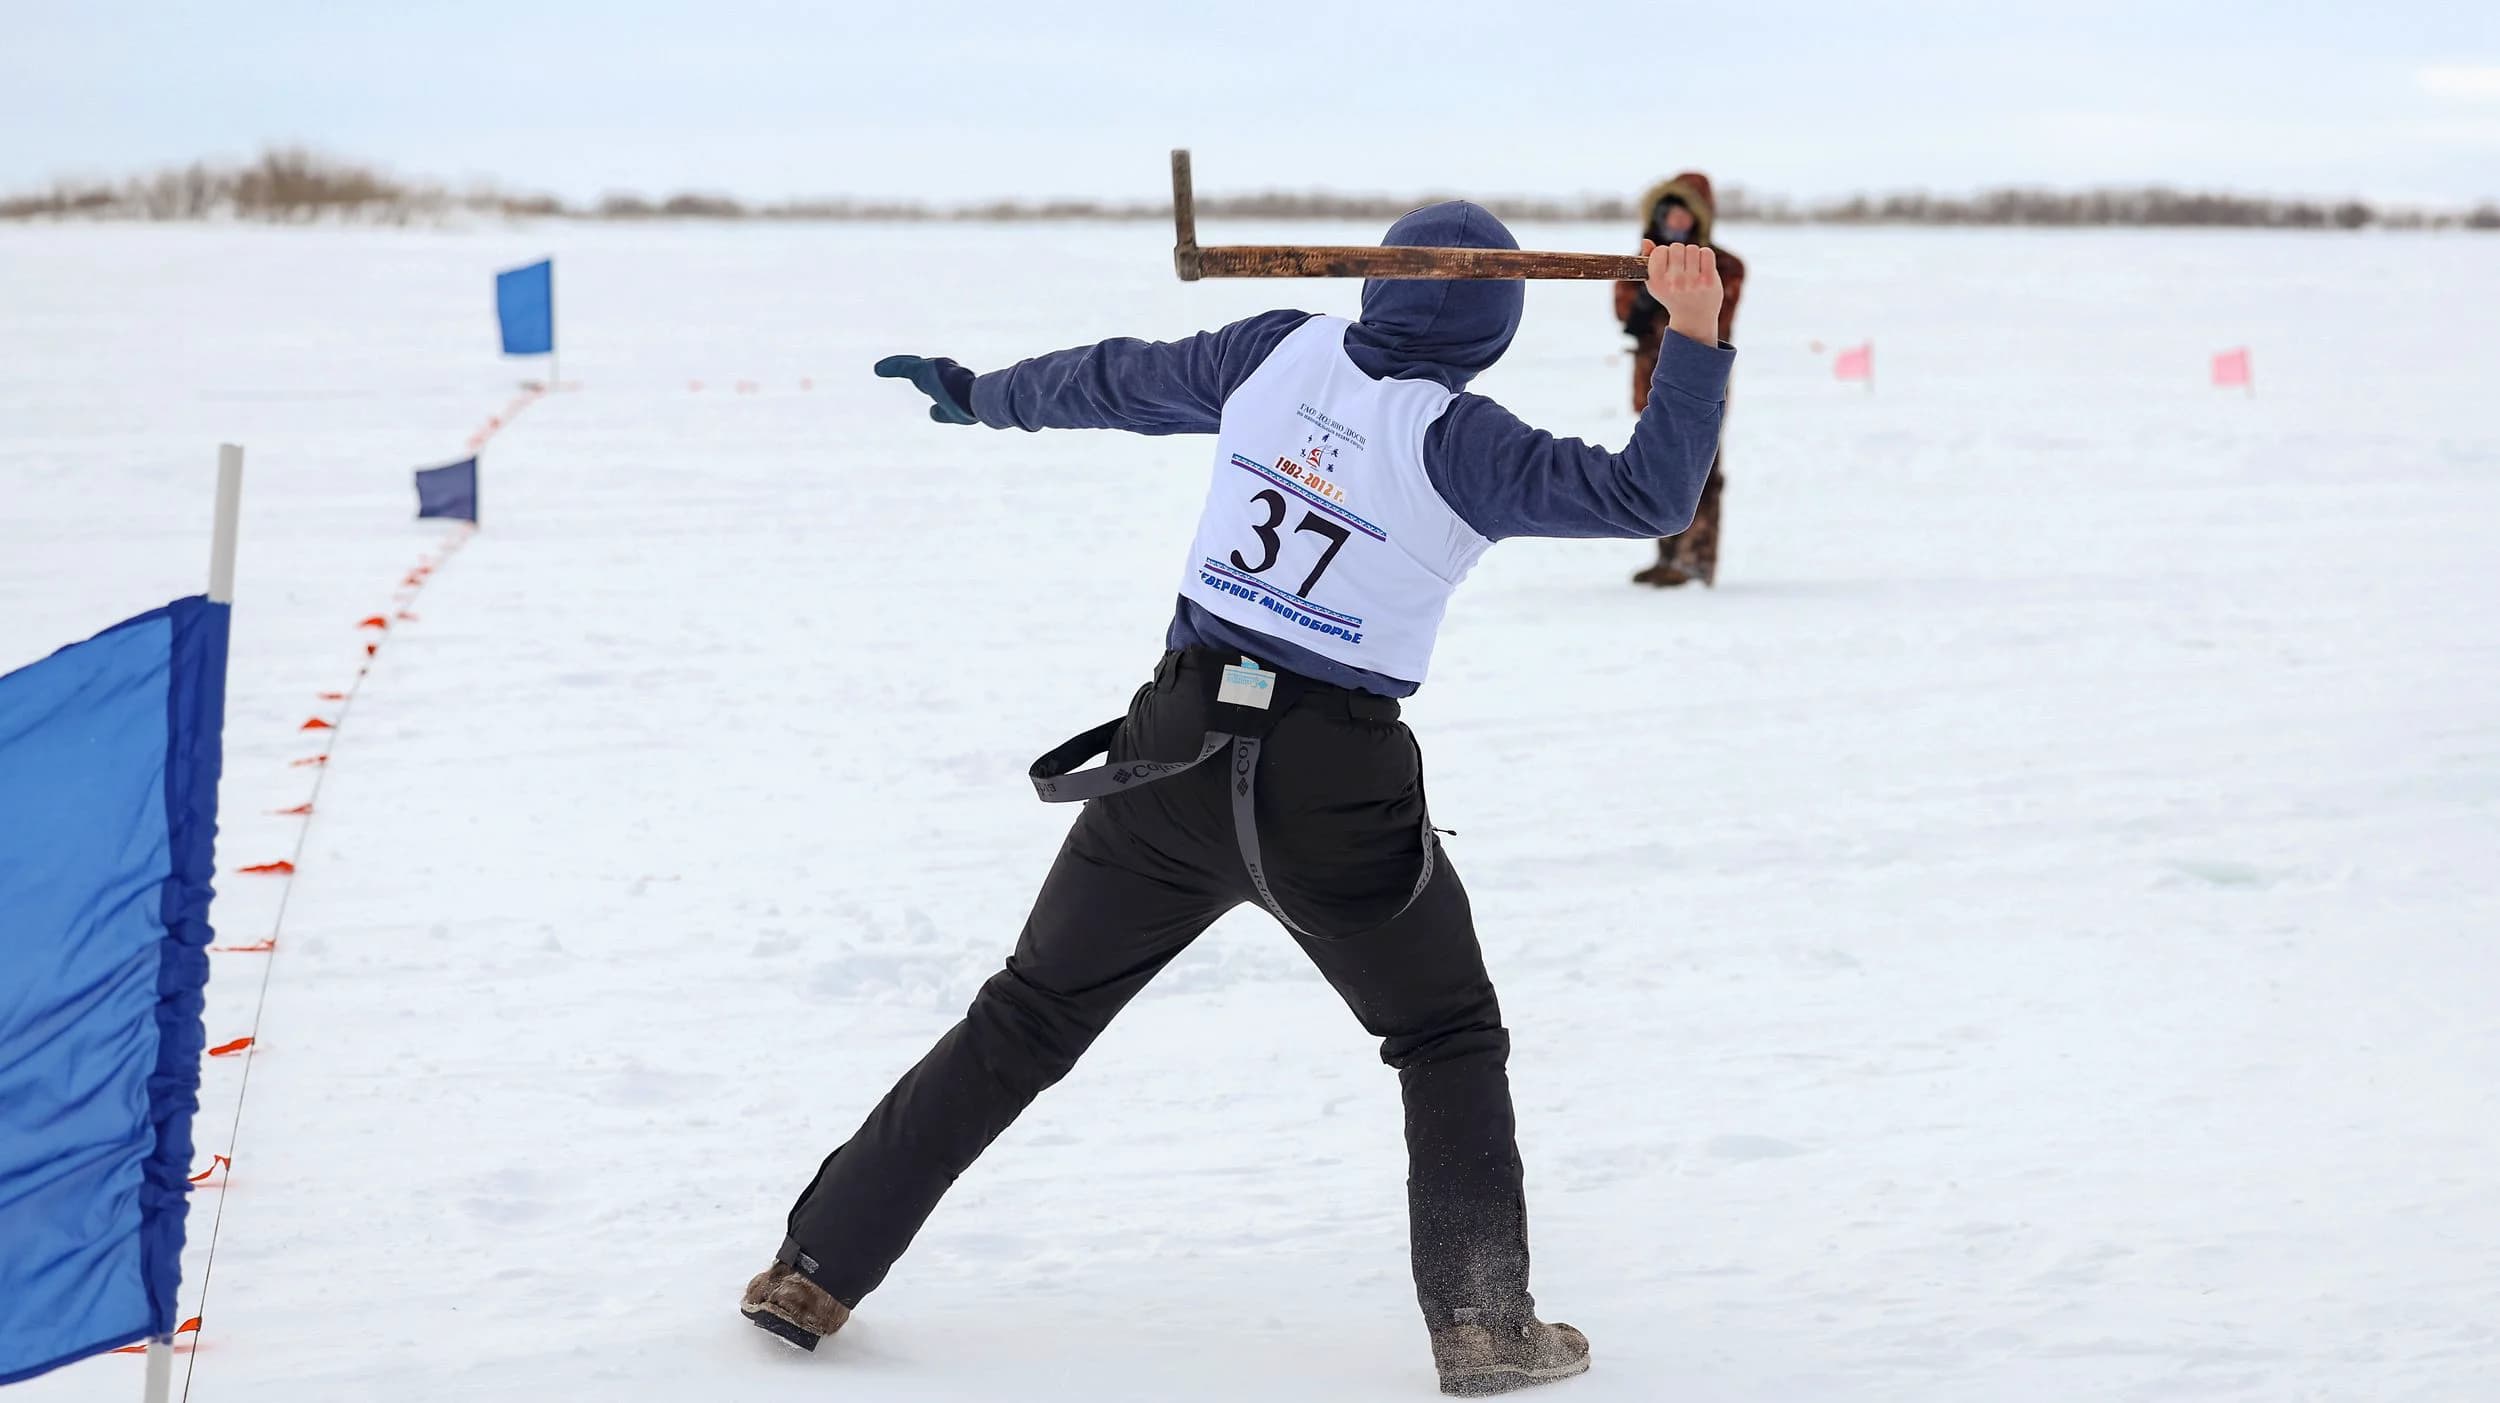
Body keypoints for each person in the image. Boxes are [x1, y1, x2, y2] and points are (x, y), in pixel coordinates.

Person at [742, 203, 1731, 1397]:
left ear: (1374, 283)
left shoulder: (1277, 349)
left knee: (1028, 1013)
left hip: (1172, 752)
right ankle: (1481, 1323)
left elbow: (1112, 379)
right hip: (1333, 786)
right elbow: (1648, 495)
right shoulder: (1464, 440)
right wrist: (1692, 334)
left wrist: (978, 392)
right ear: (1492, 333)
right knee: (1444, 1033)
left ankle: (812, 1269)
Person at [1614, 173, 1745, 587]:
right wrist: (1646, 294)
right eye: (1672, 213)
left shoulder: (1722, 265)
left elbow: (1720, 317)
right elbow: (1622, 311)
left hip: (1701, 376)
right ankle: (1667, 556)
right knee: (1658, 465)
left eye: (1687, 214)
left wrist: (1681, 300)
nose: (1679, 221)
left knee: (1701, 468)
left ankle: (1695, 561)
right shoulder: (1642, 261)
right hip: (1652, 374)